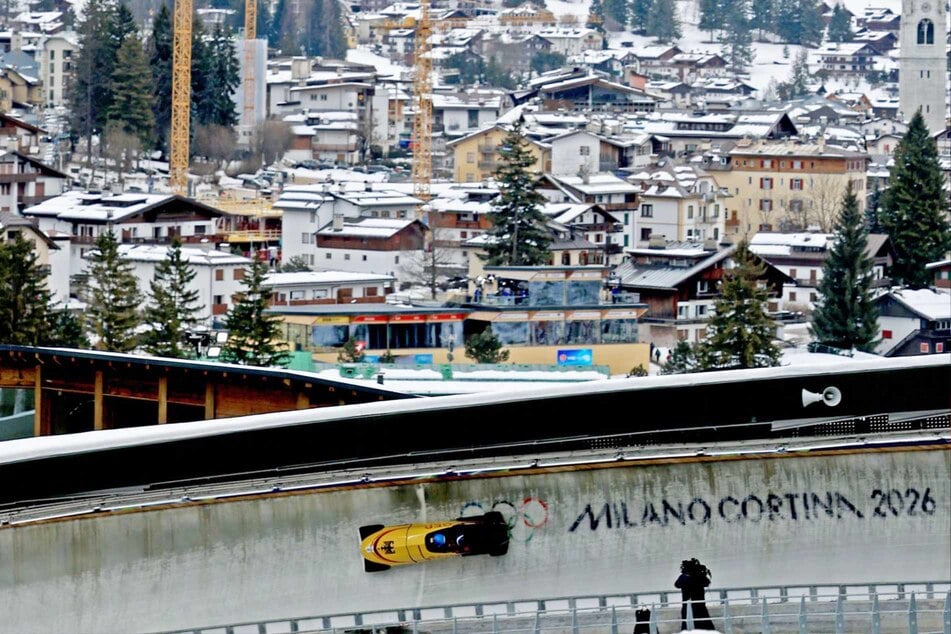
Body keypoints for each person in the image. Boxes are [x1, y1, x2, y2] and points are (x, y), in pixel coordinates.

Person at [675, 558, 715, 630]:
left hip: (690, 605)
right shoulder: (698, 576)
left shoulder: (686, 577)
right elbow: (707, 582)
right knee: (704, 625)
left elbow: (677, 584)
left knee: (688, 624)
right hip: (699, 605)